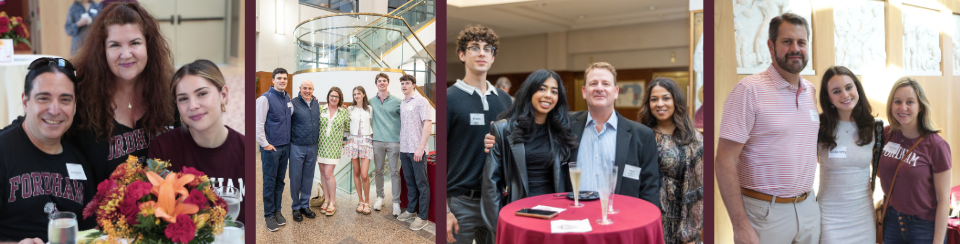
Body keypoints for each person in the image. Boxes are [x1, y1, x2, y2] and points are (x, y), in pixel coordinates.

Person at [484, 62, 661, 207]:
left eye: (605, 84)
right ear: (584, 92)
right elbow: (528, 122)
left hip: (620, 220)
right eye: (593, 83)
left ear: (615, 92)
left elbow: (650, 189)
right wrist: (498, 136)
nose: (599, 88)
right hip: (571, 217)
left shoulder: (642, 136)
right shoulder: (563, 125)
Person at [717, 13, 820, 244]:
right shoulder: (748, 90)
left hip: (808, 209)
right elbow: (724, 161)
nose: (795, 48)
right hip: (765, 214)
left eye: (801, 42)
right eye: (787, 41)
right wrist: (740, 225)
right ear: (771, 46)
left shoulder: (811, 92)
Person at [70, 1, 175, 190]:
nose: (125, 54)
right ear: (103, 49)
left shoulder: (167, 91)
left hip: (158, 211)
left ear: (148, 44)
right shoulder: (82, 96)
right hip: (101, 213)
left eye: (135, 43)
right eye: (115, 45)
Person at [0, 58, 94, 243]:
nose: (54, 110)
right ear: (25, 102)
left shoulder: (79, 160)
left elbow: (91, 232)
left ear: (74, 107)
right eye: (43, 98)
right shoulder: (3, 151)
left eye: (65, 100)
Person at [148, 59, 246, 224]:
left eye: (202, 94)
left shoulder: (245, 150)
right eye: (183, 99)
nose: (193, 105)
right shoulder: (162, 149)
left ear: (223, 95)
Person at [480, 69, 578, 234]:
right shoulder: (504, 129)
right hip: (519, 213)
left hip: (555, 214)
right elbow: (490, 184)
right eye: (542, 89)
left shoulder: (562, 131)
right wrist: (500, 228)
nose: (548, 95)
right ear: (529, 92)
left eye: (554, 92)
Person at [447, 25, 511, 244]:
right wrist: (444, 210)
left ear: (493, 57)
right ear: (462, 55)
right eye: (474, 48)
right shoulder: (450, 98)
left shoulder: (505, 100)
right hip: (460, 203)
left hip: (497, 201)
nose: (482, 52)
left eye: (487, 48)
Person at [878, 77, 951, 244]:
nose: (903, 107)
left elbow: (943, 200)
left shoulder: (936, 145)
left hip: (924, 227)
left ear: (920, 107)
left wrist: (938, 242)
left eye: (910, 102)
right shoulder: (884, 135)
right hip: (891, 222)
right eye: (898, 101)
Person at [638, 77, 704, 244]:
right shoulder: (640, 136)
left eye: (666, 98)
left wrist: (689, 232)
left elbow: (699, 189)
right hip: (646, 218)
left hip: (680, 223)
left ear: (676, 101)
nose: (660, 104)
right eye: (654, 99)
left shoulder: (693, 139)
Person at [815, 66, 877, 243]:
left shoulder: (874, 127)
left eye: (849, 87)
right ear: (828, 97)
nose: (845, 95)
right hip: (829, 219)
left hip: (863, 217)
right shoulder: (819, 127)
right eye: (836, 91)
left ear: (857, 87)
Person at [255, 68, 293, 231]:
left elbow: (290, 115)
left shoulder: (287, 97)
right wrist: (265, 144)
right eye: (279, 78)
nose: (282, 81)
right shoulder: (265, 99)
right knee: (269, 182)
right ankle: (269, 215)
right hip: (271, 148)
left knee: (280, 181)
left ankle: (277, 211)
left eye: (285, 78)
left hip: (285, 147)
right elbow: (258, 124)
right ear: (273, 80)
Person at [396, 74, 434, 231]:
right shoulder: (403, 104)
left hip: (417, 150)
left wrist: (420, 147)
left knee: (421, 183)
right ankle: (411, 210)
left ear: (414, 85)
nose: (404, 86)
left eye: (407, 83)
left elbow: (427, 125)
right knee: (410, 182)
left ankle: (422, 216)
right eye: (402, 83)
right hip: (404, 149)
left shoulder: (421, 101)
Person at [286, 80, 320, 222]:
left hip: (312, 146)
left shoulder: (316, 103)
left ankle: (305, 205)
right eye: (304, 88)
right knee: (295, 177)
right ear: (300, 89)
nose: (307, 91)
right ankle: (296, 206)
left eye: (310, 88)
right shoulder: (292, 103)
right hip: (297, 145)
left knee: (308, 177)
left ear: (313, 90)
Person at [370, 73, 402, 215]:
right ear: (376, 84)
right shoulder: (371, 101)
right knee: (378, 171)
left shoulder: (397, 101)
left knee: (395, 172)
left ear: (388, 83)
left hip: (394, 141)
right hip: (377, 141)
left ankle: (396, 202)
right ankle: (380, 197)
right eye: (379, 81)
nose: (381, 83)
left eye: (384, 81)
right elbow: (358, 106)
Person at [317, 87, 350, 216]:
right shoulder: (321, 109)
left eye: (336, 96)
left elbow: (348, 127)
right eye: (332, 96)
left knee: (328, 173)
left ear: (340, 99)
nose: (334, 98)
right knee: (322, 173)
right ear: (328, 97)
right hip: (320, 146)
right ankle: (325, 199)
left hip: (334, 147)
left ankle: (333, 201)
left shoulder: (343, 112)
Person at [346, 86, 374, 215]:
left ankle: (367, 201)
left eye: (358, 93)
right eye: (354, 94)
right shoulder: (350, 109)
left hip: (366, 141)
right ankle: (361, 200)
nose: (356, 96)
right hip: (353, 141)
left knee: (364, 174)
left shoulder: (369, 109)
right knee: (356, 172)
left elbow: (373, 124)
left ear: (363, 94)